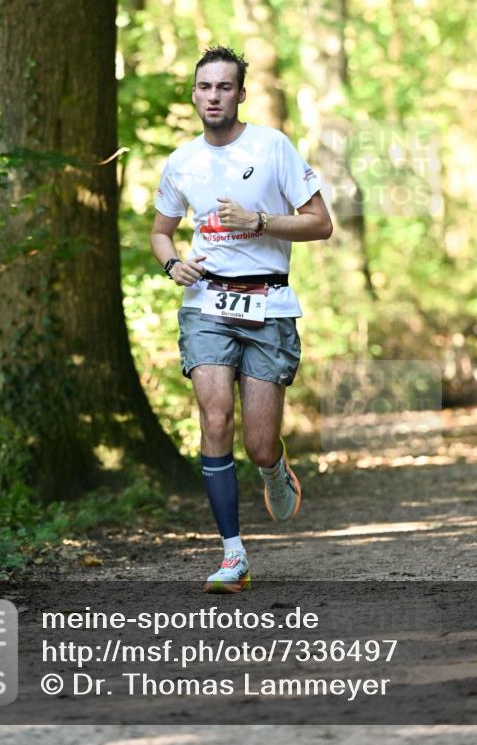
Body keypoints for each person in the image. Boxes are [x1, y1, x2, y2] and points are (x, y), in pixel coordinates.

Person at [151, 45, 333, 593]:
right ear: (194, 94)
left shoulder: (272, 147)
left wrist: (258, 221)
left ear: (241, 94)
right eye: (205, 87)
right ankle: (234, 556)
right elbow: (161, 232)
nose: (214, 96)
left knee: (256, 442)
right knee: (214, 421)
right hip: (206, 304)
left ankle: (273, 468)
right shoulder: (181, 161)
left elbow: (320, 223)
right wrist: (172, 264)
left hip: (268, 304)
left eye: (224, 87)